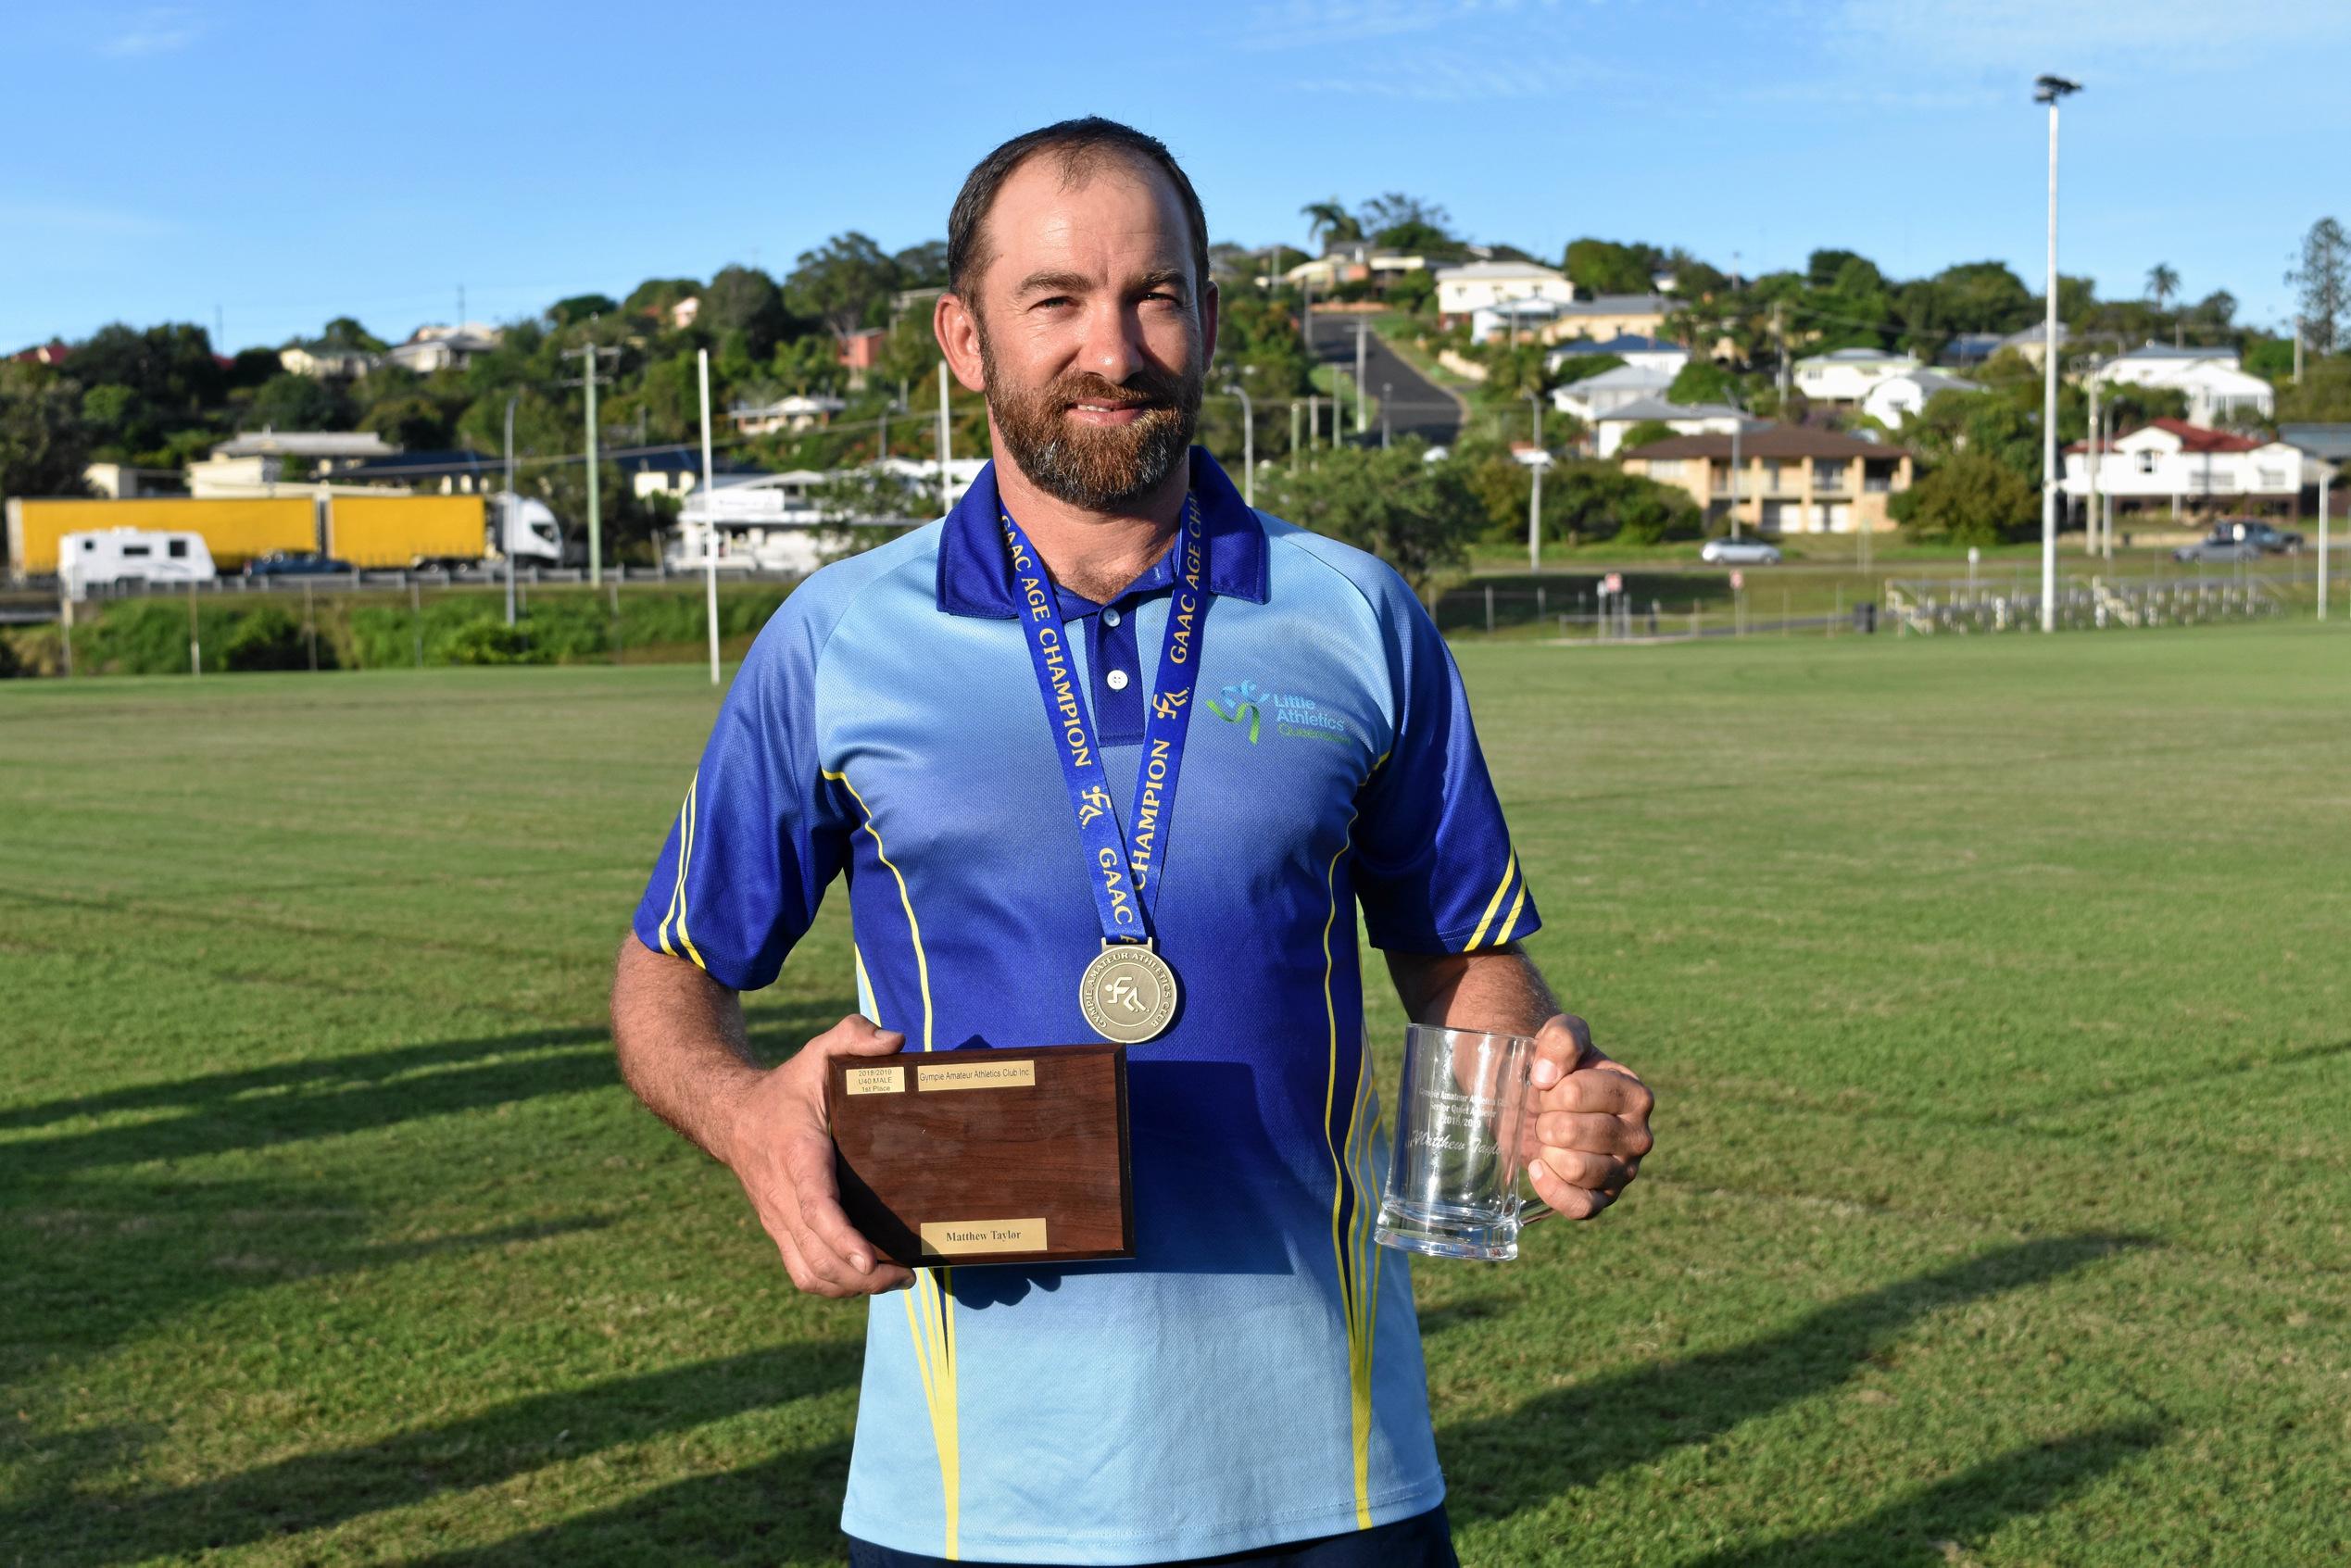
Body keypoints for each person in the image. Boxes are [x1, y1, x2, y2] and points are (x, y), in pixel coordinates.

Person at [610, 118, 1653, 1568]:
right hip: (972, 1497)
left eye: (1153, 294)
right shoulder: (839, 639)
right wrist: (744, 1118)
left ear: (1209, 321)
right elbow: (667, 976)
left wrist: (1548, 1092)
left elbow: (1465, 956)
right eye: (1055, 301)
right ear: (962, 338)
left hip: (1332, 1475)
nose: (1113, 347)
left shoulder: (1353, 615)